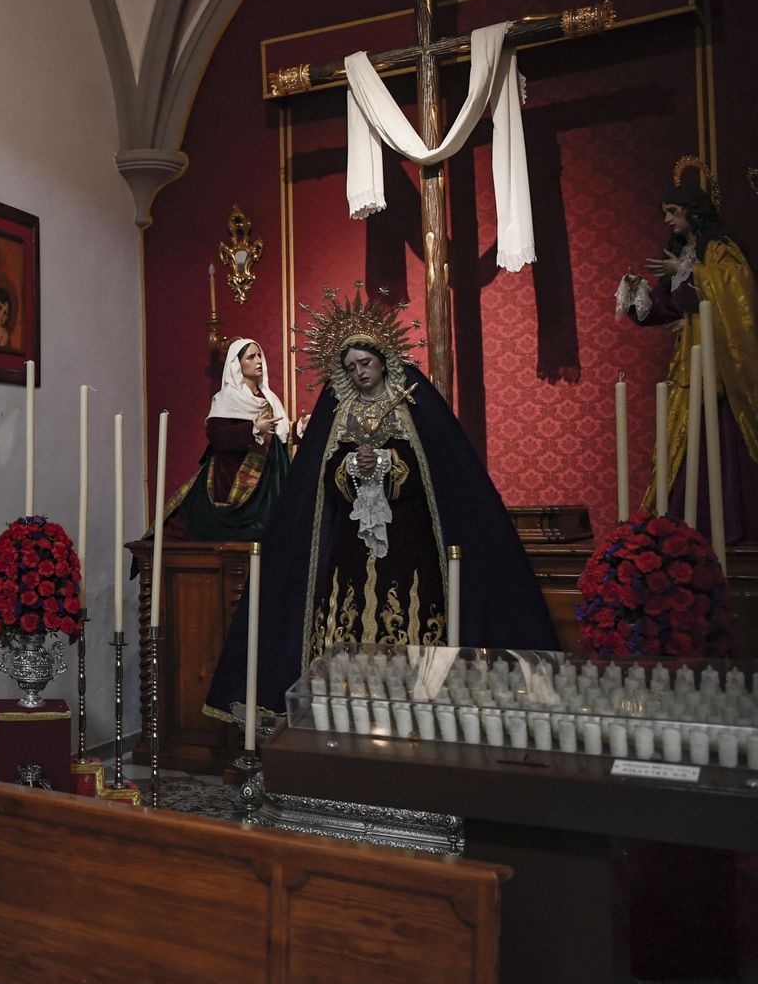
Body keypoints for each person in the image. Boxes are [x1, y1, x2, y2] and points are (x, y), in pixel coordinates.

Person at [204, 288, 557, 724]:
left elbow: (438, 468)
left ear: (383, 358)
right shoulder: (338, 404)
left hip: (410, 543)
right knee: (344, 620)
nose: (359, 373)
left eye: (365, 363)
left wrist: (390, 464)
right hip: (350, 547)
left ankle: (419, 716)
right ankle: (342, 714)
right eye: (351, 367)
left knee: (411, 615)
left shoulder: (412, 395)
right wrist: (352, 466)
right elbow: (323, 475)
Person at [617, 176, 758, 542]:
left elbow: (736, 289)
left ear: (693, 212)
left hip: (722, 371)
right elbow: (670, 308)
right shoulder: (682, 254)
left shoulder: (719, 250)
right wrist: (639, 294)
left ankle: (731, 529)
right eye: (664, 213)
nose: (667, 220)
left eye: (672, 212)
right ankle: (684, 531)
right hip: (689, 367)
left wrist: (684, 272)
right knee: (684, 446)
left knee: (725, 446)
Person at [159, 338, 292, 542]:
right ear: (237, 364)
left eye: (259, 356)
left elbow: (280, 433)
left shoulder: (269, 398)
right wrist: (254, 429)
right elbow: (217, 436)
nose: (258, 361)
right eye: (251, 357)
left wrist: (298, 430)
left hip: (267, 482)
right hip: (233, 482)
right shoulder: (225, 399)